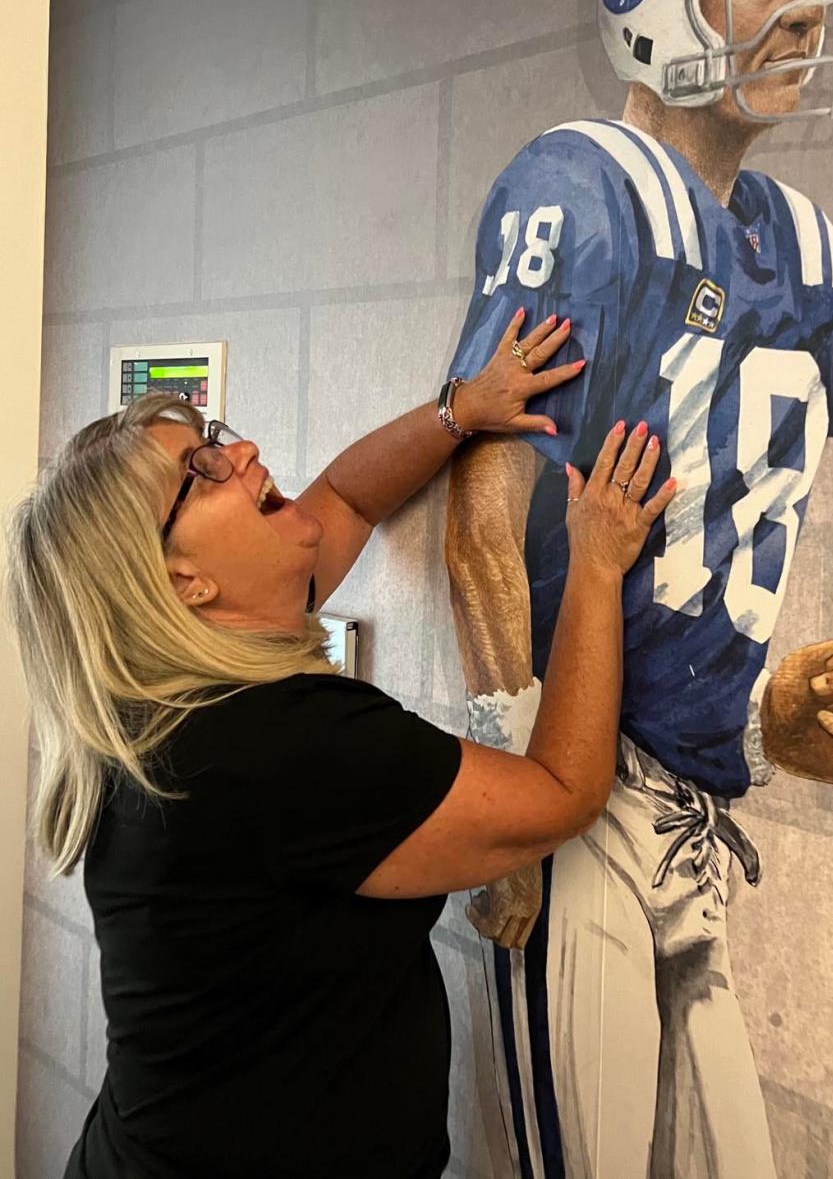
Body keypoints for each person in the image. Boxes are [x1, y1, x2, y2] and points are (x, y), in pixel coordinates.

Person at [445, 0, 833, 1179]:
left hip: (696, 815)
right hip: (571, 794)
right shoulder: (581, 192)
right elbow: (483, 520)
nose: (815, 3)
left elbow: (702, 559)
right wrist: (508, 784)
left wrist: (765, 720)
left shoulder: (808, 255)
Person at [6, 313, 675, 1179]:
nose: (239, 452)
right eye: (199, 471)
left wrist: (463, 408)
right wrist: (596, 560)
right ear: (184, 581)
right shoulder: (272, 745)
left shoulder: (157, 691)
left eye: (212, 435)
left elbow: (348, 498)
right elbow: (560, 791)